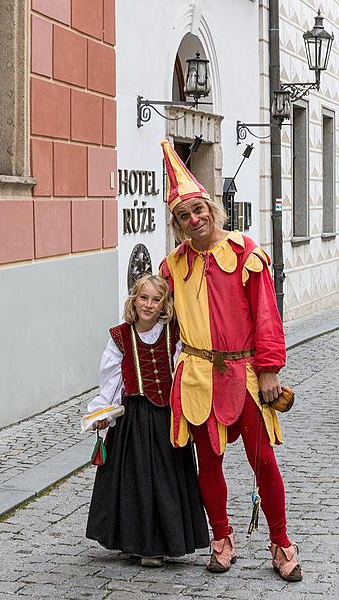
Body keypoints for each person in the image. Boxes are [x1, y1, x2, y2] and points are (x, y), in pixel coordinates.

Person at [159, 140, 303, 582]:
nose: (194, 220)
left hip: (244, 376)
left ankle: (281, 543)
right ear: (178, 224)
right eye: (184, 216)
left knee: (264, 464)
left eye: (198, 211)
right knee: (210, 465)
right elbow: (154, 315)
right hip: (198, 376)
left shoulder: (245, 253)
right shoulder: (173, 267)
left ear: (211, 208)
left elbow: (266, 314)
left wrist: (270, 369)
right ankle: (221, 537)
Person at [85, 274, 209, 566]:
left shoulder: (174, 334)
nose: (149, 305)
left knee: (166, 480)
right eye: (143, 298)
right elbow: (112, 383)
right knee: (134, 481)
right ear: (134, 299)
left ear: (164, 304)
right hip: (134, 421)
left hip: (167, 419)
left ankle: (159, 545)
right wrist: (103, 414)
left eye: (156, 299)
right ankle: (135, 541)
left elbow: (184, 375)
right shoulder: (120, 337)